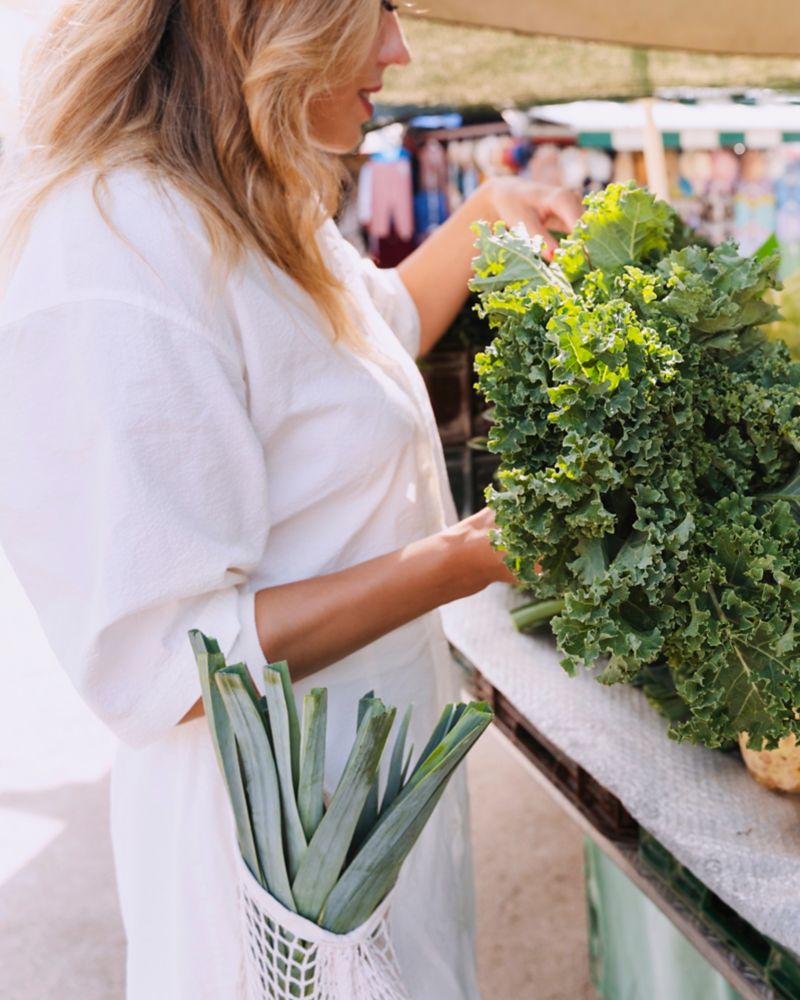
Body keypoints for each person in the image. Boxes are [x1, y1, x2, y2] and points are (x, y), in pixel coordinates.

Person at [0, 1, 581, 998]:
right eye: (377, 8)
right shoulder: (116, 252)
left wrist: (490, 213)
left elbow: (377, 335)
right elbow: (166, 666)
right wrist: (462, 559)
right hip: (271, 847)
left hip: (369, 795)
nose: (401, 48)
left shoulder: (247, 196)